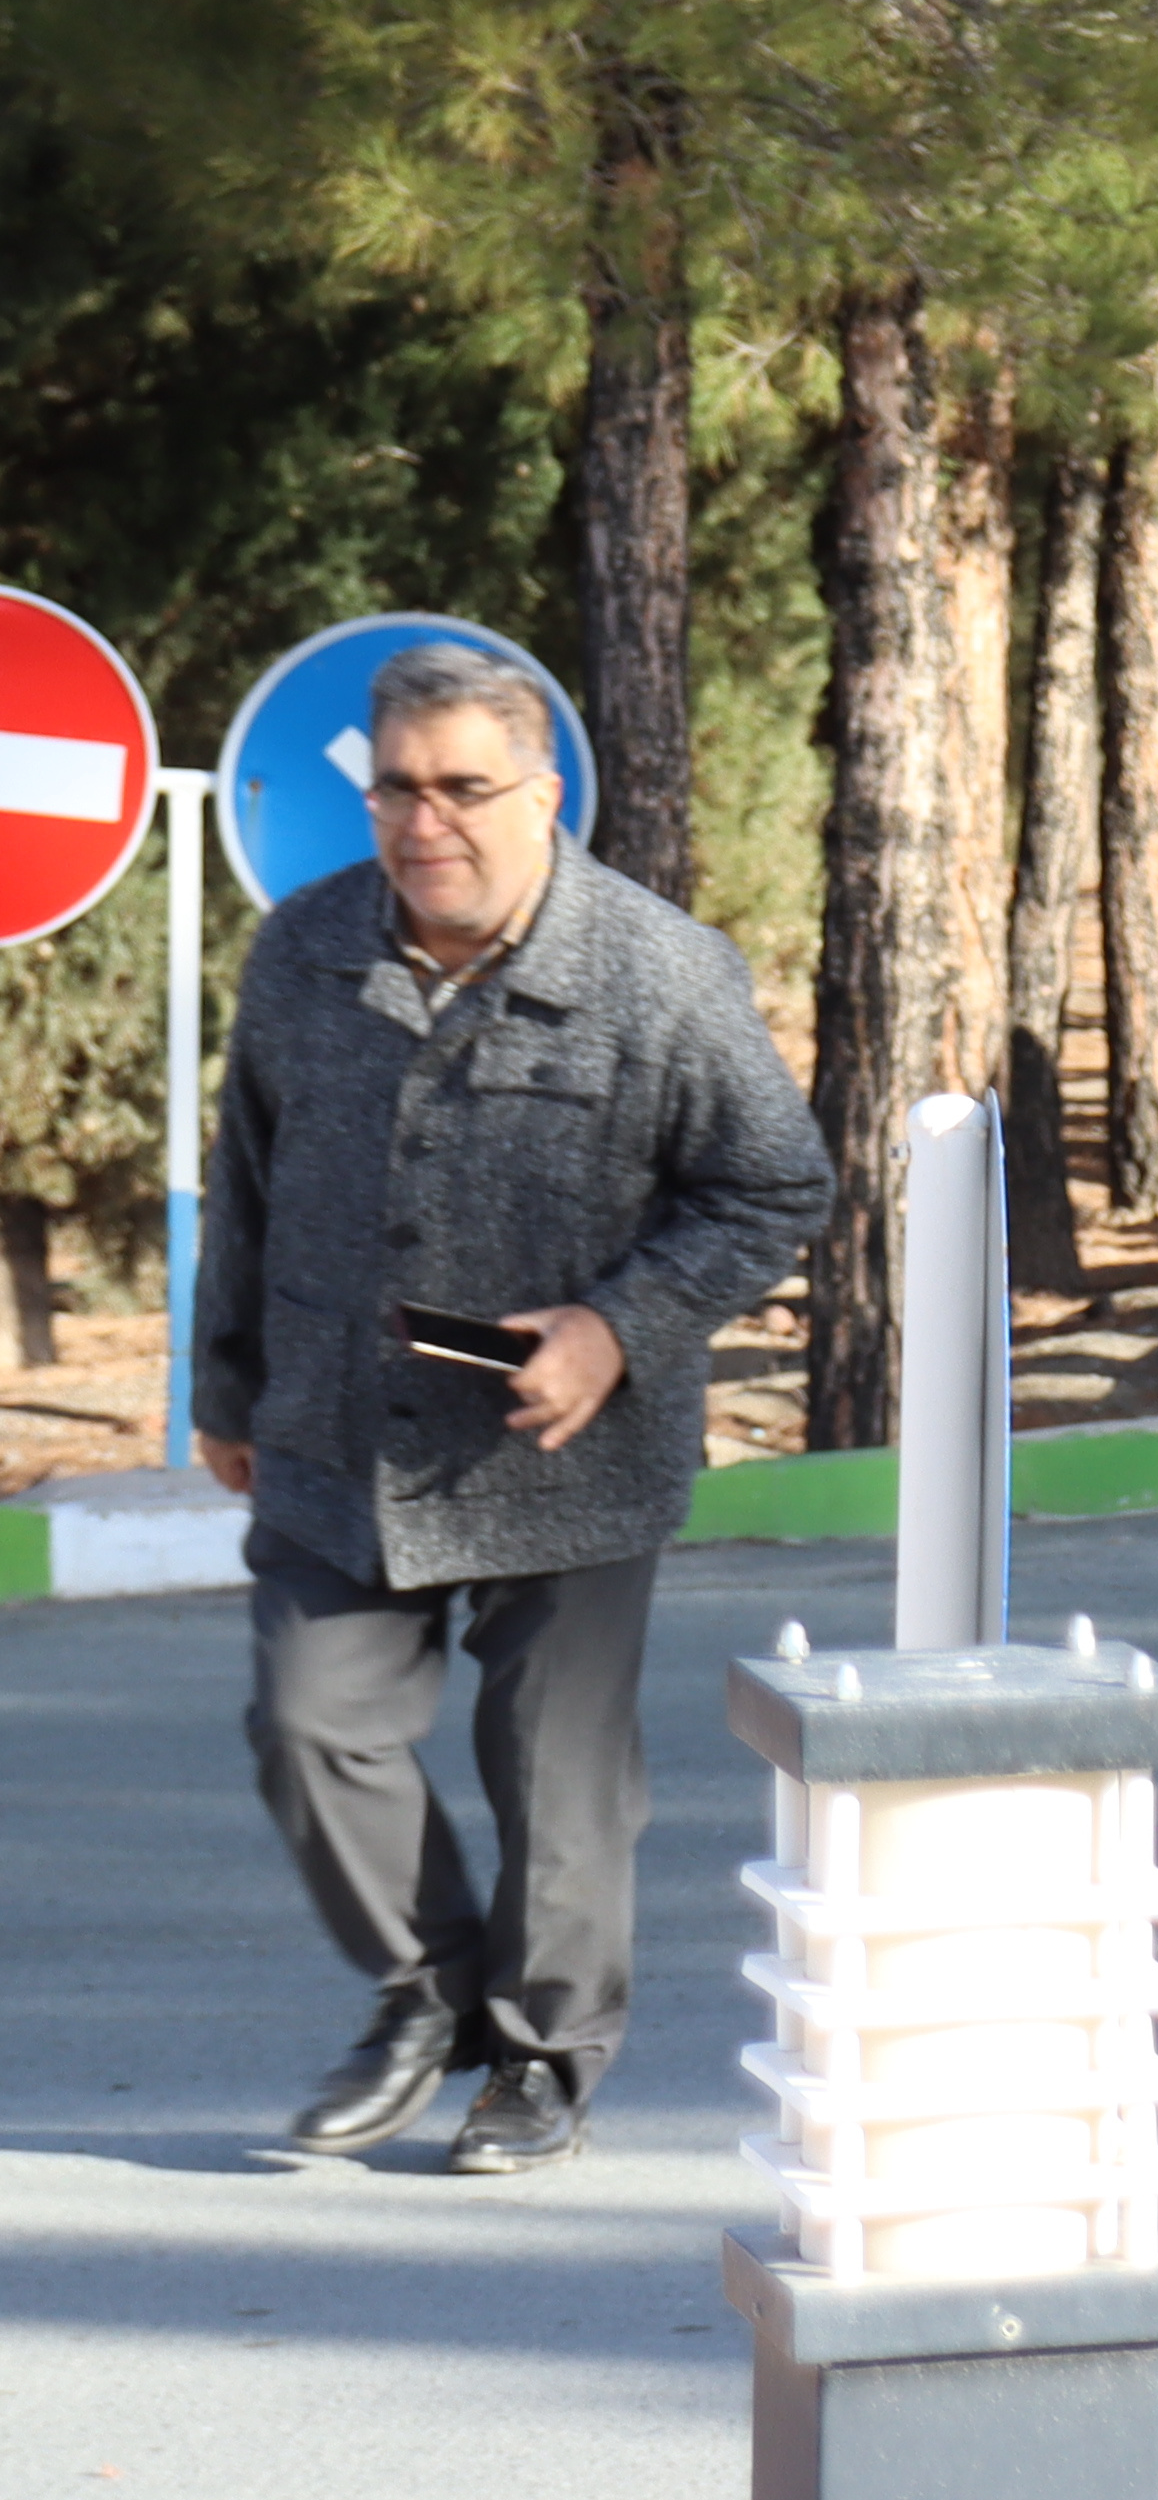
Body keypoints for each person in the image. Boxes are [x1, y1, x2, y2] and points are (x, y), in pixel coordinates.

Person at [198, 642, 830, 2174]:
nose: (428, 823)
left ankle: (541, 2058)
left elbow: (773, 1185)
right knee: (307, 1725)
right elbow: (251, 1181)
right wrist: (225, 1384)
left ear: (543, 794)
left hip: (566, 1444)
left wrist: (619, 1329)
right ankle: (426, 1992)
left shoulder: (656, 971)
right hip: (336, 1426)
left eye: (466, 788)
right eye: (399, 789)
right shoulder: (305, 951)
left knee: (558, 1782)